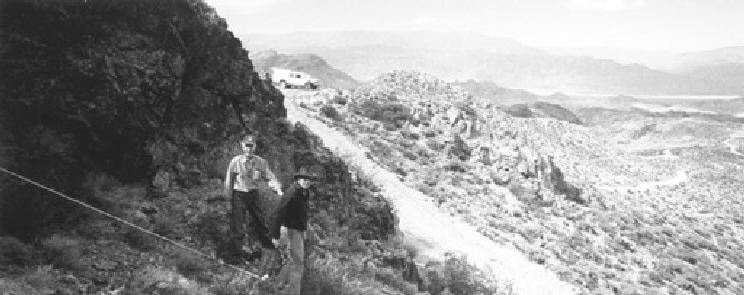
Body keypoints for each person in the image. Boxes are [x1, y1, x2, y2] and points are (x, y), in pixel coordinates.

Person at [224, 134, 283, 263]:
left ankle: (270, 250)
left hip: (253, 194)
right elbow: (229, 181)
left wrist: (278, 189)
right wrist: (228, 200)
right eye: (247, 145)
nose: (249, 149)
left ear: (255, 146)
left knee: (261, 221)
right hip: (239, 194)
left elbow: (270, 177)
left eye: (251, 146)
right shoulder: (235, 162)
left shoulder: (260, 162)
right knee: (238, 225)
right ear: (242, 145)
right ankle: (237, 256)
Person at [271, 167, 318, 295]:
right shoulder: (292, 193)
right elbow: (278, 213)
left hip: (297, 231)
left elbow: (301, 214)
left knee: (293, 261)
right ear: (298, 179)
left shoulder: (303, 193)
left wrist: (304, 229)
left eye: (309, 179)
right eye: (304, 179)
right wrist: (275, 235)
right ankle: (293, 292)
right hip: (291, 231)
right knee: (297, 263)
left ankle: (277, 286)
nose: (307, 181)